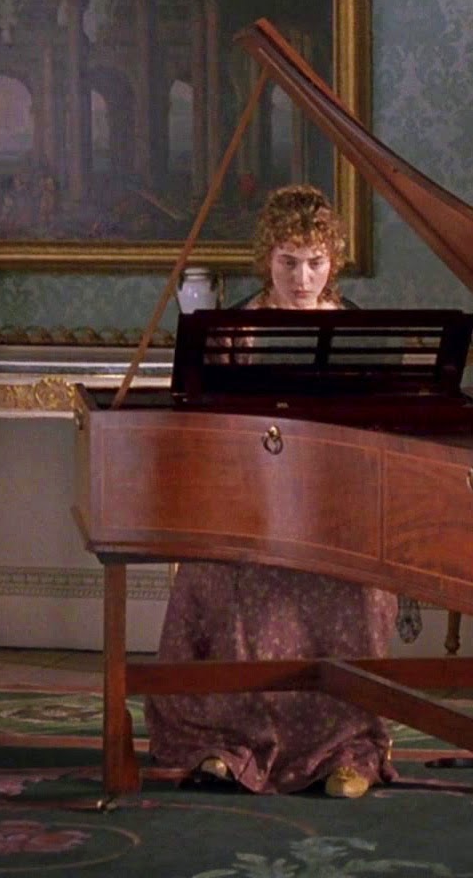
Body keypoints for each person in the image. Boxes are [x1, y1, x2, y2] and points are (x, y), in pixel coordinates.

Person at [145, 184, 399, 799]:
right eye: (288, 262)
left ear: (333, 261)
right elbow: (205, 429)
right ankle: (230, 744)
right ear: (267, 260)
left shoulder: (357, 331)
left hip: (332, 509)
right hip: (248, 506)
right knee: (216, 577)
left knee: (362, 586)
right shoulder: (232, 332)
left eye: (315, 262)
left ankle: (344, 750)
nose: (302, 278)